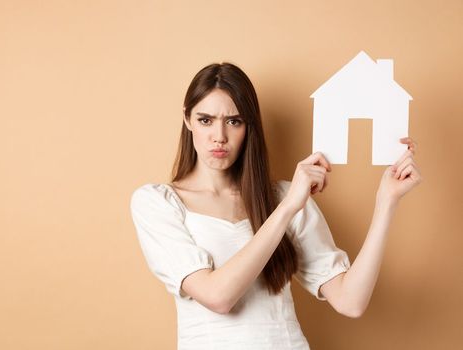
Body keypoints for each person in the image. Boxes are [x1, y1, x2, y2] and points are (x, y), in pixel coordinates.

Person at [130, 62, 422, 349]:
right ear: (187, 119)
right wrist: (288, 208)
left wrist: (387, 202)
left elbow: (351, 301)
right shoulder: (158, 203)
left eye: (234, 121)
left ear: (249, 126)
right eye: (205, 120)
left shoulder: (282, 196)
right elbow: (218, 297)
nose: (219, 136)